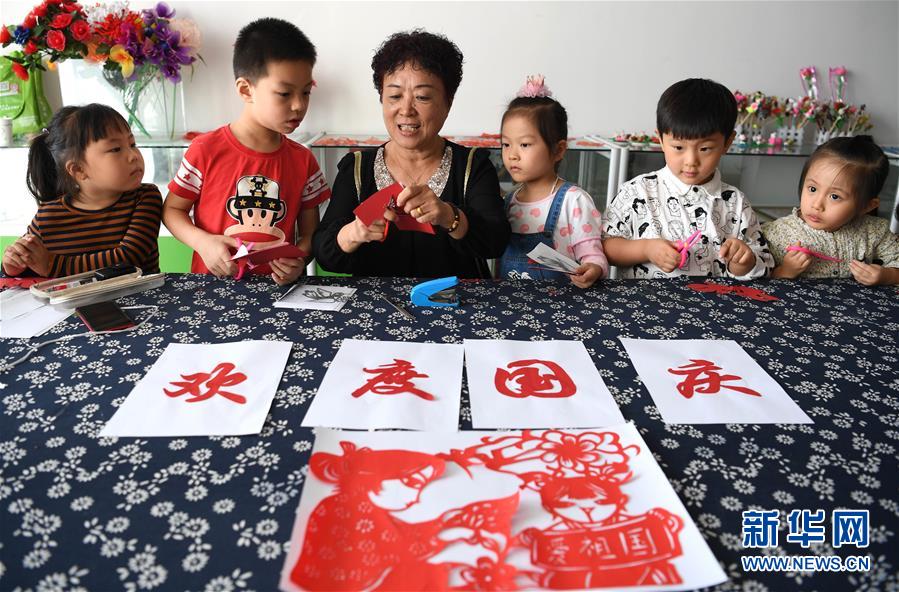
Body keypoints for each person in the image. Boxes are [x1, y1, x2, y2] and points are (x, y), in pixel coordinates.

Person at [312, 30, 509, 278]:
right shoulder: (357, 168)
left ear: (448, 103)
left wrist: (450, 217)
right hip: (376, 302)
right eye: (394, 96)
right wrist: (354, 233)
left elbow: (495, 241)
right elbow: (323, 252)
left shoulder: (472, 165)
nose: (406, 110)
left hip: (455, 300)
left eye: (422, 97)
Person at [162, 18, 330, 284]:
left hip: (277, 293)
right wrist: (203, 243)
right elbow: (172, 210)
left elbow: (311, 234)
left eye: (306, 92)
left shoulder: (303, 159)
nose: (299, 105)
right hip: (212, 290)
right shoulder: (205, 150)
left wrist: (298, 260)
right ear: (245, 89)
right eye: (284, 94)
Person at [602, 78, 773, 279]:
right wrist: (646, 249)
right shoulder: (637, 191)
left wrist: (743, 262)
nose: (691, 161)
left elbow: (764, 265)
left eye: (705, 149)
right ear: (661, 139)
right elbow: (605, 246)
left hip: (715, 299)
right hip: (645, 298)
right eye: (678, 147)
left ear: (727, 143)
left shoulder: (735, 202)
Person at [2, 104, 161, 278]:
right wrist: (12, 265)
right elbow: (28, 261)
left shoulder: (145, 197)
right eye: (116, 149)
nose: (134, 155)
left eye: (132, 144)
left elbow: (129, 258)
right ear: (78, 170)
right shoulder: (47, 216)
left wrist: (51, 265)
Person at [497, 75, 608, 288]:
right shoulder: (509, 202)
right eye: (506, 144)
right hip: (511, 302)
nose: (512, 155)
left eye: (525, 145)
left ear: (558, 150)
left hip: (560, 304)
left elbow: (592, 254)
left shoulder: (573, 201)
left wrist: (592, 269)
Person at [762, 135, 899, 284]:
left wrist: (887, 275)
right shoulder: (777, 233)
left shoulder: (874, 231)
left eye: (834, 196)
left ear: (867, 206)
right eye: (812, 189)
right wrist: (785, 271)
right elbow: (755, 275)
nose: (817, 205)